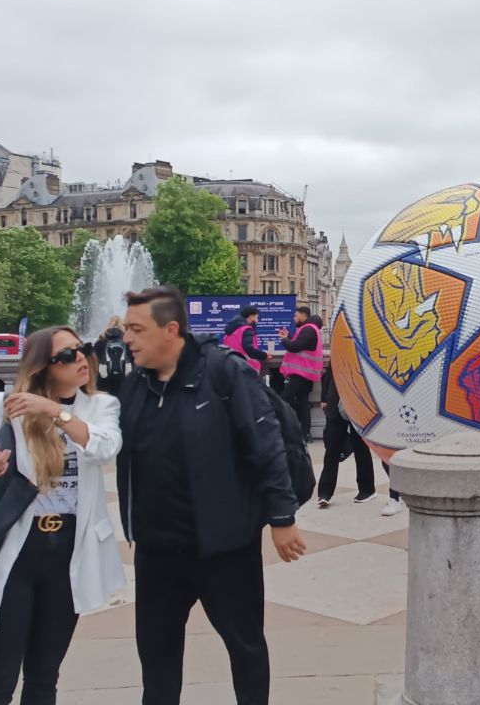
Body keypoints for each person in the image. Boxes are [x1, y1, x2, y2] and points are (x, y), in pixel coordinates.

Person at [118, 285, 306, 705]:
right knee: (157, 659)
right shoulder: (135, 386)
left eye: (136, 328)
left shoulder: (224, 372)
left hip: (223, 548)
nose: (126, 338)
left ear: (170, 329)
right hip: (157, 553)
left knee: (246, 649)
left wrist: (282, 518)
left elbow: (265, 443)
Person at [0, 327, 125, 703]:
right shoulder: (4, 407)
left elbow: (105, 448)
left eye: (82, 349)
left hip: (68, 556)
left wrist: (53, 412)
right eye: (66, 356)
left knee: (44, 679)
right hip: (12, 554)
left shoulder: (101, 406)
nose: (80, 359)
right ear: (43, 366)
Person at [316, 364, 376, 507]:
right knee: (331, 448)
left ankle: (367, 489)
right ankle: (325, 492)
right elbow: (330, 373)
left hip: (358, 403)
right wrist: (324, 397)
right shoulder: (339, 345)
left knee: (360, 448)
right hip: (336, 403)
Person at [277, 307, 323, 443]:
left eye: (295, 315)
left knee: (283, 399)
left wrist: (285, 340)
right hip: (306, 373)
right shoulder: (309, 329)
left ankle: (279, 429)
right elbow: (301, 345)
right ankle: (305, 434)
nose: (294, 318)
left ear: (304, 315)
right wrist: (289, 337)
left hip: (301, 373)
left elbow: (295, 347)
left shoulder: (308, 329)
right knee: (303, 403)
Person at [93, 315, 134, 397]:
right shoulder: (128, 342)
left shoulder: (100, 342)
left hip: (103, 385)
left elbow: (93, 363)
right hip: (125, 384)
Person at [221, 306, 268, 374]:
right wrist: (264, 355)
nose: (257, 321)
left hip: (231, 366)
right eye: (256, 317)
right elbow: (249, 349)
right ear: (251, 317)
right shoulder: (246, 329)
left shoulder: (231, 330)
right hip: (246, 368)